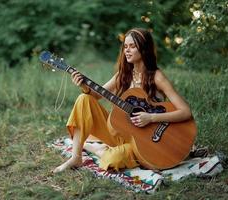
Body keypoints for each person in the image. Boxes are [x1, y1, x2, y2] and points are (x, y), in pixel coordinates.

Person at [53, 28, 192, 173]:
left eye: (132, 46)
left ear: (144, 49)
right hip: (121, 133)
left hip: (143, 143)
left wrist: (151, 117)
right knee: (84, 98)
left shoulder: (156, 77)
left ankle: (97, 148)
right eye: (125, 46)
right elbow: (94, 96)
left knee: (111, 161)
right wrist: (84, 86)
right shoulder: (123, 75)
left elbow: (185, 112)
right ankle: (76, 157)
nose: (127, 50)